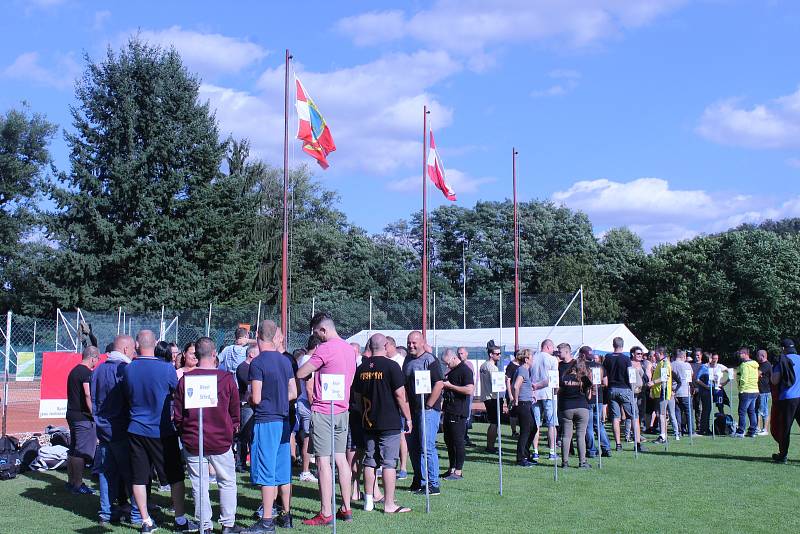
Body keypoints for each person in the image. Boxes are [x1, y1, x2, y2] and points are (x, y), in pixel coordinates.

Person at [123, 330, 197, 533]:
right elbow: (179, 394)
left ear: (137, 345)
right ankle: (180, 519)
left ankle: (145, 520)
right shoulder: (166, 368)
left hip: (136, 429)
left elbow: (128, 395)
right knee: (175, 476)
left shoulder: (129, 369)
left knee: (139, 477)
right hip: (162, 430)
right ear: (155, 344)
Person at [174, 337, 241, 534]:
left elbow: (178, 414)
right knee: (227, 481)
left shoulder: (186, 380)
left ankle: (205, 525)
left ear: (196, 355)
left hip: (195, 439)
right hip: (219, 439)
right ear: (214, 355)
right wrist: (232, 427)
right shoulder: (227, 379)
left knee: (199, 484)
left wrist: (184, 431)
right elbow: (234, 411)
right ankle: (227, 524)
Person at [296, 313, 357, 525]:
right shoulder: (350, 349)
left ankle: (325, 512)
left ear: (323, 330)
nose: (317, 337)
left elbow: (302, 372)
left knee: (323, 461)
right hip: (342, 410)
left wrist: (311, 361)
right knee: (341, 459)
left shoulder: (325, 348)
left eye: (316, 333)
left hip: (324, 411)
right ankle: (346, 508)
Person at [243, 321, 297, 533]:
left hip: (266, 420)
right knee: (282, 470)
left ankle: (266, 521)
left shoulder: (257, 363)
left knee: (266, 470)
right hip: (284, 420)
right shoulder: (285, 361)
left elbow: (255, 397)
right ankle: (286, 514)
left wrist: (249, 398)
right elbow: (294, 393)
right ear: (275, 335)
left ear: (257, 335)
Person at [351, 333, 412, 514]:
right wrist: (408, 418)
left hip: (368, 421)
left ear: (369, 345)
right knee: (388, 463)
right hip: (389, 422)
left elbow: (356, 396)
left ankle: (368, 502)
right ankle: (389, 504)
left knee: (370, 461)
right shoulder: (392, 366)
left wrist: (364, 413)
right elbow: (401, 395)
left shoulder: (361, 368)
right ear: (386, 345)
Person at [402, 330, 444, 496]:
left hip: (428, 410)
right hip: (412, 410)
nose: (411, 345)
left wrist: (428, 405)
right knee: (414, 447)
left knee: (427, 447)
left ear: (422, 342)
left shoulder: (430, 359)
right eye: (409, 342)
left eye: (414, 342)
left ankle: (433, 484)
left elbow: (439, 384)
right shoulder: (407, 360)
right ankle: (419, 480)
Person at [65, 345, 100, 495]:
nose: (97, 362)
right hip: (83, 418)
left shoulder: (74, 371)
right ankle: (78, 484)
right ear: (92, 357)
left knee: (73, 449)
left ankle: (72, 481)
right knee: (81, 452)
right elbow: (87, 394)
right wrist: (94, 414)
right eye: (97, 359)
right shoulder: (86, 373)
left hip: (72, 414)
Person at [603, 337, 645, 452]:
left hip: (612, 389)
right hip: (625, 389)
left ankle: (618, 444)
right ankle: (637, 443)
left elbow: (604, 375)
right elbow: (630, 376)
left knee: (615, 418)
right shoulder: (626, 359)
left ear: (613, 345)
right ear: (623, 345)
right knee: (634, 416)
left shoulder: (607, 358)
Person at [441, 349, 475, 480]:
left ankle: (458, 471)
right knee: (448, 441)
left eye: (447, 363)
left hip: (459, 411)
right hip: (449, 410)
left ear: (454, 358)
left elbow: (469, 389)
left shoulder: (465, 370)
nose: (446, 366)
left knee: (458, 441)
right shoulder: (452, 371)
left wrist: (450, 386)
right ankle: (452, 468)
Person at [557, 345, 592, 469]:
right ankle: (582, 462)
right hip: (582, 407)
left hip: (566, 407)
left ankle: (564, 462)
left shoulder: (564, 378)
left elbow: (558, 390)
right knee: (580, 435)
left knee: (566, 436)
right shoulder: (584, 378)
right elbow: (589, 391)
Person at [770, 339, 800, 463]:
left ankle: (783, 455)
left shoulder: (782, 360)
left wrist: (772, 371)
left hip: (787, 398)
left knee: (785, 429)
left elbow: (775, 380)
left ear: (783, 349)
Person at [580, 346, 611, 458]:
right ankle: (606, 448)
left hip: (586, 398)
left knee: (588, 426)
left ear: (582, 355)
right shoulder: (600, 366)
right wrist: (597, 386)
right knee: (599, 424)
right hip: (599, 397)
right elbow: (606, 383)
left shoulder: (581, 367)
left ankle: (592, 450)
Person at [530, 339, 558, 460]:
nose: (553, 350)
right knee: (551, 424)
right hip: (548, 394)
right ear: (547, 347)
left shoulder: (533, 358)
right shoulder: (552, 360)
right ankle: (552, 451)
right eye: (552, 348)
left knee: (536, 424)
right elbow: (553, 379)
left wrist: (535, 387)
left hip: (535, 394)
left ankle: (535, 451)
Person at [386, 337, 409, 480]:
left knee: (400, 435)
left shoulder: (400, 361)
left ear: (390, 346)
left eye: (385, 346)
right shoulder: (386, 361)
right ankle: (388, 466)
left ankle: (403, 468)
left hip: (398, 403)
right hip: (387, 404)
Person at [295, 337, 318, 483]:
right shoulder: (309, 361)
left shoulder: (302, 359)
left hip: (302, 401)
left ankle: (307, 468)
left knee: (308, 438)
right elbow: (310, 388)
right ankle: (305, 471)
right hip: (307, 403)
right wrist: (314, 405)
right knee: (308, 439)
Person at [511, 349, 538, 467]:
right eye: (531, 357)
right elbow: (516, 386)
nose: (533, 359)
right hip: (523, 404)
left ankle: (526, 455)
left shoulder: (525, 370)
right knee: (526, 431)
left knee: (533, 428)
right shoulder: (522, 370)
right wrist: (516, 400)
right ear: (526, 359)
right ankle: (521, 458)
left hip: (527, 402)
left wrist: (531, 394)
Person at [235, 345, 259, 473]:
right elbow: (250, 384)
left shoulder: (253, 367)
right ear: (251, 354)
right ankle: (240, 463)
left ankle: (252, 463)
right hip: (246, 406)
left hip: (253, 405)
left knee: (253, 435)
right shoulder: (243, 368)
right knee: (244, 435)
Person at [479, 340, 503, 453]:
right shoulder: (492, 368)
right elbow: (497, 384)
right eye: (497, 354)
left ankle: (490, 445)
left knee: (493, 423)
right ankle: (491, 446)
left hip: (486, 397)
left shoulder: (483, 365)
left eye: (500, 353)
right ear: (491, 354)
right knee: (494, 423)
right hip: (493, 398)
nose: (500, 355)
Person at [650, 347, 677, 443]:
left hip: (663, 391)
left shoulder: (665, 363)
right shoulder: (660, 363)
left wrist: (653, 382)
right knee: (659, 414)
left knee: (662, 414)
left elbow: (665, 377)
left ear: (661, 353)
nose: (654, 356)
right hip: (658, 392)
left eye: (656, 354)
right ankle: (663, 435)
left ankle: (663, 436)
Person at [734, 347, 759, 438]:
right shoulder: (754, 364)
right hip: (755, 390)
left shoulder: (745, 365)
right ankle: (752, 431)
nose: (739, 355)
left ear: (745, 354)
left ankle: (741, 431)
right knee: (751, 411)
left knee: (742, 412)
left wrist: (741, 390)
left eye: (740, 353)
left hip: (746, 391)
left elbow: (744, 378)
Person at [456, 347, 475, 447]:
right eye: (459, 353)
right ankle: (461, 438)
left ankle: (464, 437)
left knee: (466, 416)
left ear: (466, 354)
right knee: (462, 416)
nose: (460, 355)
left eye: (462, 353)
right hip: (460, 395)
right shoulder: (455, 365)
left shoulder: (469, 365)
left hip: (468, 395)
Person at [672, 350, 694, 437]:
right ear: (683, 357)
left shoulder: (671, 365)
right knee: (688, 412)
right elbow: (691, 375)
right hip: (685, 391)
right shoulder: (687, 365)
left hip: (675, 391)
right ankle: (691, 431)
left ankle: (679, 431)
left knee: (678, 412)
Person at [694, 354, 713, 435]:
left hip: (709, 391)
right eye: (711, 357)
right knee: (706, 410)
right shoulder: (703, 367)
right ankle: (703, 429)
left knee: (708, 410)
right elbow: (697, 379)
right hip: (704, 391)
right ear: (708, 358)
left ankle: (706, 428)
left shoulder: (709, 367)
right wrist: (706, 386)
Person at [504, 349, 521, 439]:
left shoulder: (522, 365)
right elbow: (507, 380)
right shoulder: (511, 366)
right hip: (512, 393)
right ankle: (514, 431)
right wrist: (510, 395)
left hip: (521, 394)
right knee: (513, 413)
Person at [756, 349, 771, 436]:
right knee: (758, 410)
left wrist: (758, 374)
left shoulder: (766, 365)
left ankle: (765, 429)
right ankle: (758, 428)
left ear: (762, 356)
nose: (757, 358)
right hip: (759, 391)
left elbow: (756, 374)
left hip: (764, 391)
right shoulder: (761, 365)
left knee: (763, 410)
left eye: (758, 356)